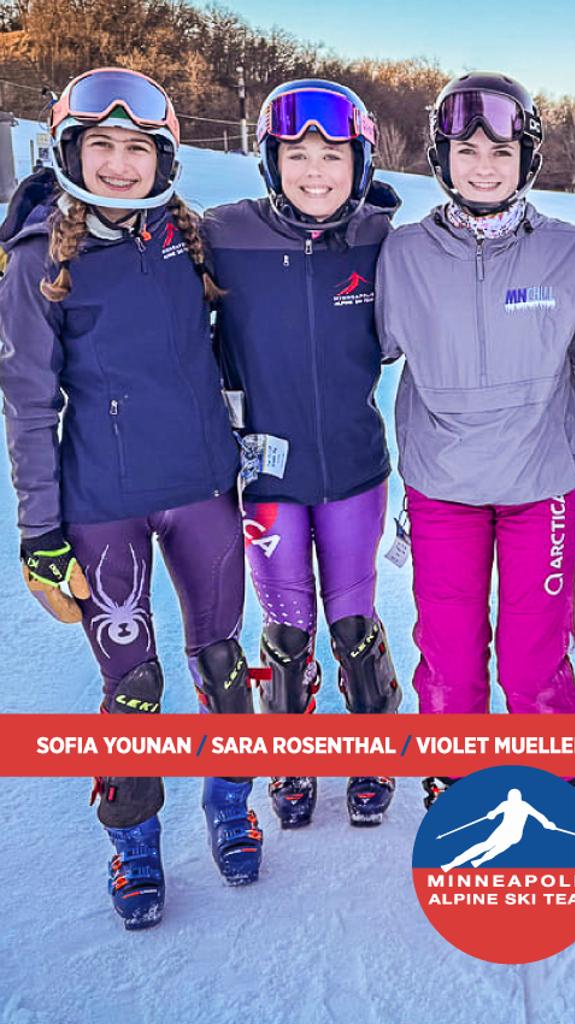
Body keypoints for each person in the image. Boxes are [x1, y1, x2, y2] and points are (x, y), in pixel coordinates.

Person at [0, 68, 261, 930]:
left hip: (202, 493)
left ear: (164, 157)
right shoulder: (38, 257)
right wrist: (40, 529)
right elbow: (29, 403)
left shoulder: (190, 241)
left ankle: (230, 809)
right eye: (102, 146)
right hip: (102, 502)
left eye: (137, 148)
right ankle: (135, 844)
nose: (119, 165)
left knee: (221, 663)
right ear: (70, 150)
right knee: (135, 682)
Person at [374, 72, 575, 807]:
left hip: (541, 484)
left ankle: (554, 778)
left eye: (501, 150)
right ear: (441, 158)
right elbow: (359, 347)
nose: (483, 165)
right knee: (447, 646)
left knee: (532, 651)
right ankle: (456, 774)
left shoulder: (572, 254)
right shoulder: (402, 254)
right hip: (442, 485)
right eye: (466, 149)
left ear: (527, 159)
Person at [203, 79, 402, 829]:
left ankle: (374, 747)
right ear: (269, 159)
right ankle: (290, 752)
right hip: (267, 480)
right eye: (297, 154)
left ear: (361, 163)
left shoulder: (381, 240)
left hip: (353, 468)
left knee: (353, 619)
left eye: (332, 154)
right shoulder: (224, 234)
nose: (315, 171)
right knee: (286, 627)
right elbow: (129, 244)